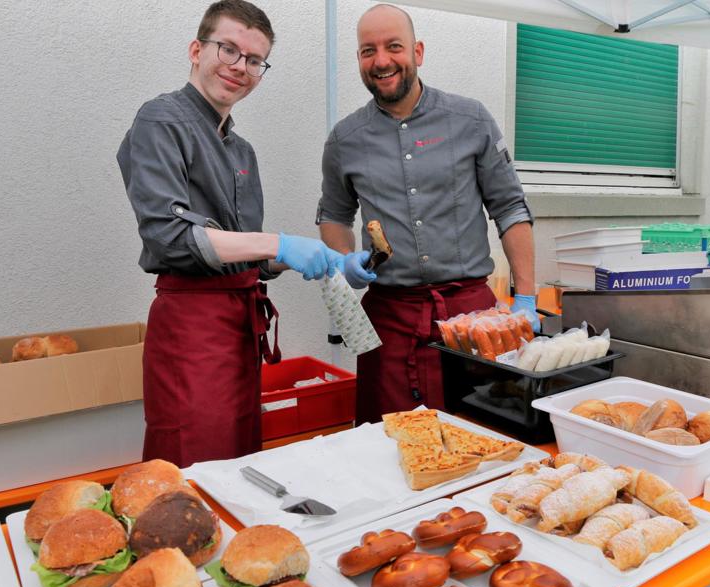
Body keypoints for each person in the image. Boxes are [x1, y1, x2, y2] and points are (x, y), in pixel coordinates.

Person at [117, 0, 342, 467]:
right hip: (192, 330)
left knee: (240, 464)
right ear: (196, 50)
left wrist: (316, 258)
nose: (241, 67)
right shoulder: (161, 120)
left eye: (255, 60)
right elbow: (170, 236)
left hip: (239, 330)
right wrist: (279, 243)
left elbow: (243, 253)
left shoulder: (241, 151)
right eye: (229, 50)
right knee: (193, 467)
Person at [317, 4, 538, 425]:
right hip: (388, 319)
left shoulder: (471, 120)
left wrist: (525, 296)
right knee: (386, 442)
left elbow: (510, 207)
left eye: (393, 46)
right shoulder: (345, 139)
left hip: (472, 317)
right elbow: (333, 214)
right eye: (368, 51)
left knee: (482, 436)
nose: (381, 60)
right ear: (359, 59)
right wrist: (344, 259)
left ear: (417, 51)